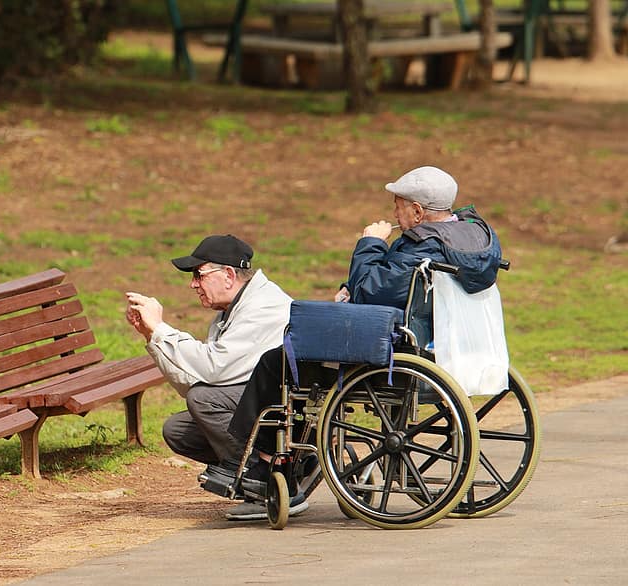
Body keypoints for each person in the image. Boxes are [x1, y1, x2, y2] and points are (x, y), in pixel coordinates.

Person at [224, 165, 503, 519]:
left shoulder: (424, 243)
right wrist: (352, 284)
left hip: (392, 355)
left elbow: (373, 289)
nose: (394, 213)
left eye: (399, 205)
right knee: (295, 358)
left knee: (277, 362)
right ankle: (283, 460)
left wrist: (369, 242)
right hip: (442, 348)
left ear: (418, 212)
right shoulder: (469, 240)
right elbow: (386, 283)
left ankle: (262, 463)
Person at [124, 234, 292, 471]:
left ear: (228, 276)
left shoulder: (262, 307)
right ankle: (252, 471)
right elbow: (192, 382)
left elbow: (213, 369)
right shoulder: (228, 312)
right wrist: (151, 336)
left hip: (287, 404)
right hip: (264, 398)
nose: (193, 284)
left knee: (204, 400)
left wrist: (162, 329)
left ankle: (264, 474)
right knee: (178, 430)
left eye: (198, 275)